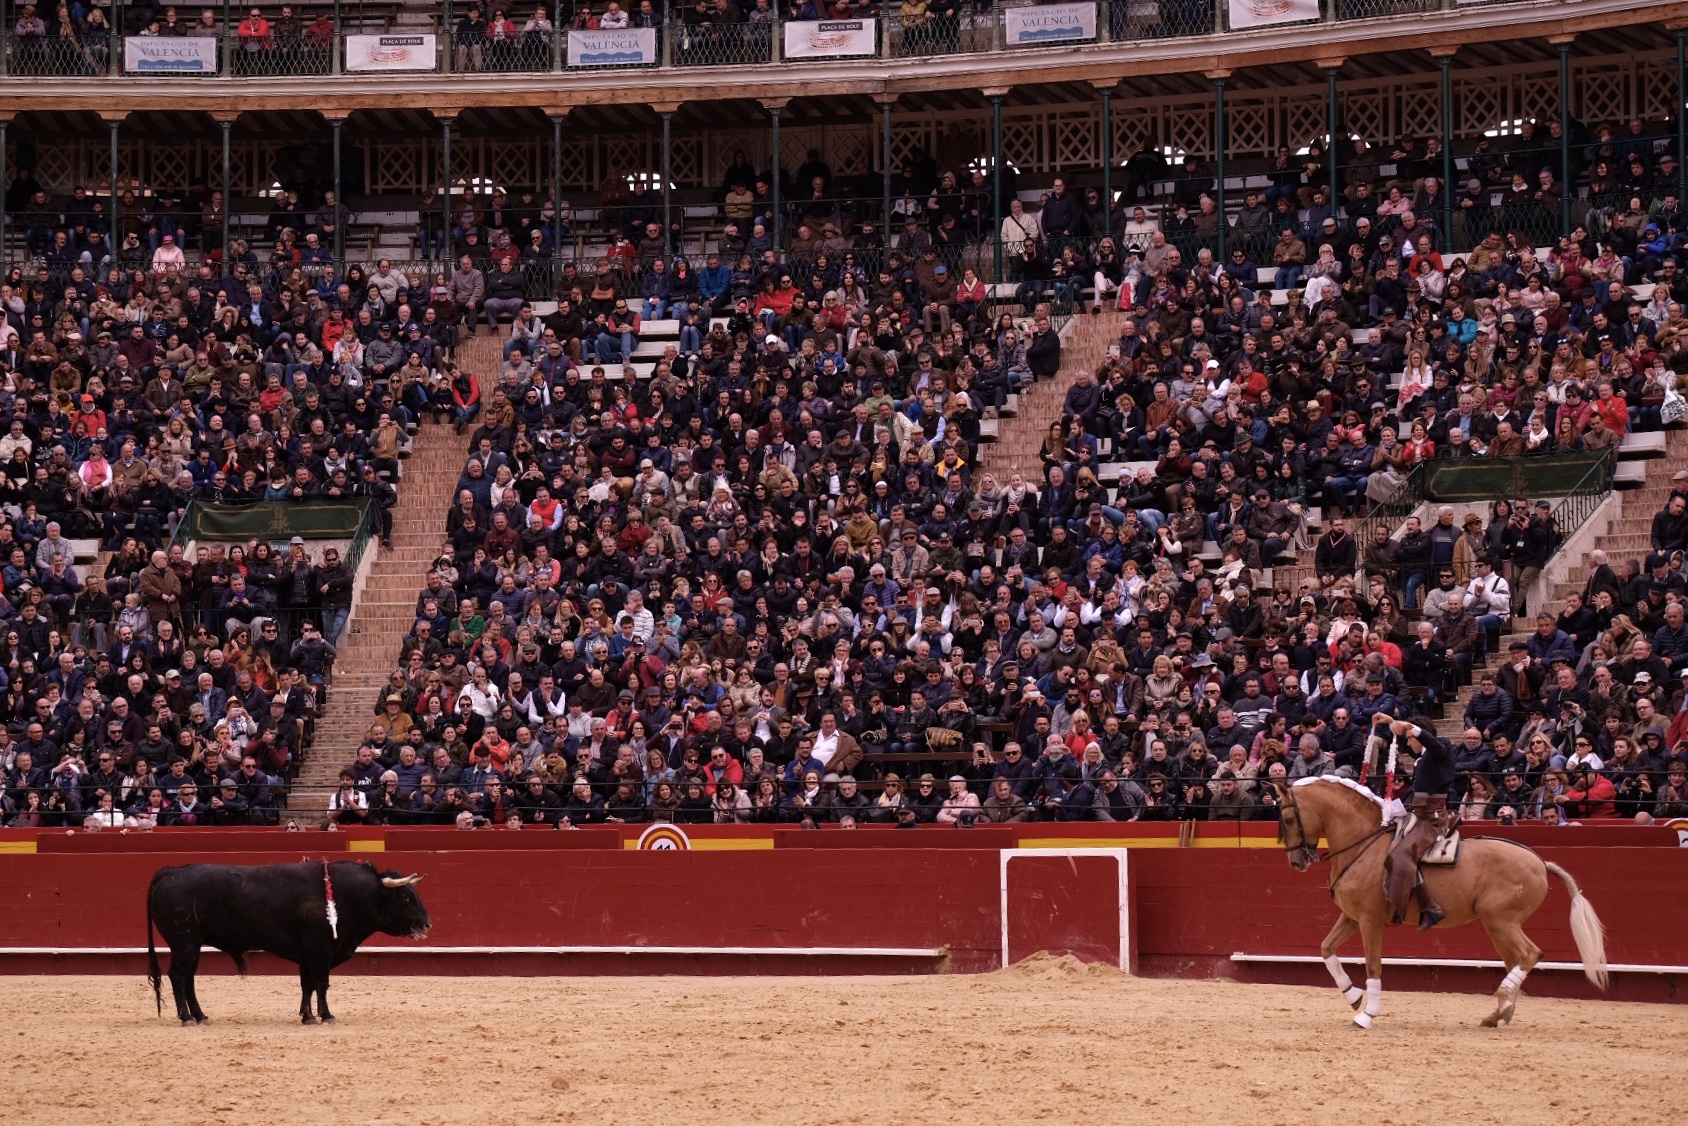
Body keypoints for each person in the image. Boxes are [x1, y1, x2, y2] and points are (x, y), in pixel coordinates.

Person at [1376, 714, 1453, 930]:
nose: (1409, 742)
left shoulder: (1441, 749)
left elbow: (1432, 743)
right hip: (1419, 815)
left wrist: (1413, 728)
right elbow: (1405, 740)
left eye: (1411, 738)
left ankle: (1430, 906)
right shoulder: (1423, 756)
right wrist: (1390, 721)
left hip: (1433, 820)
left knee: (1402, 853)